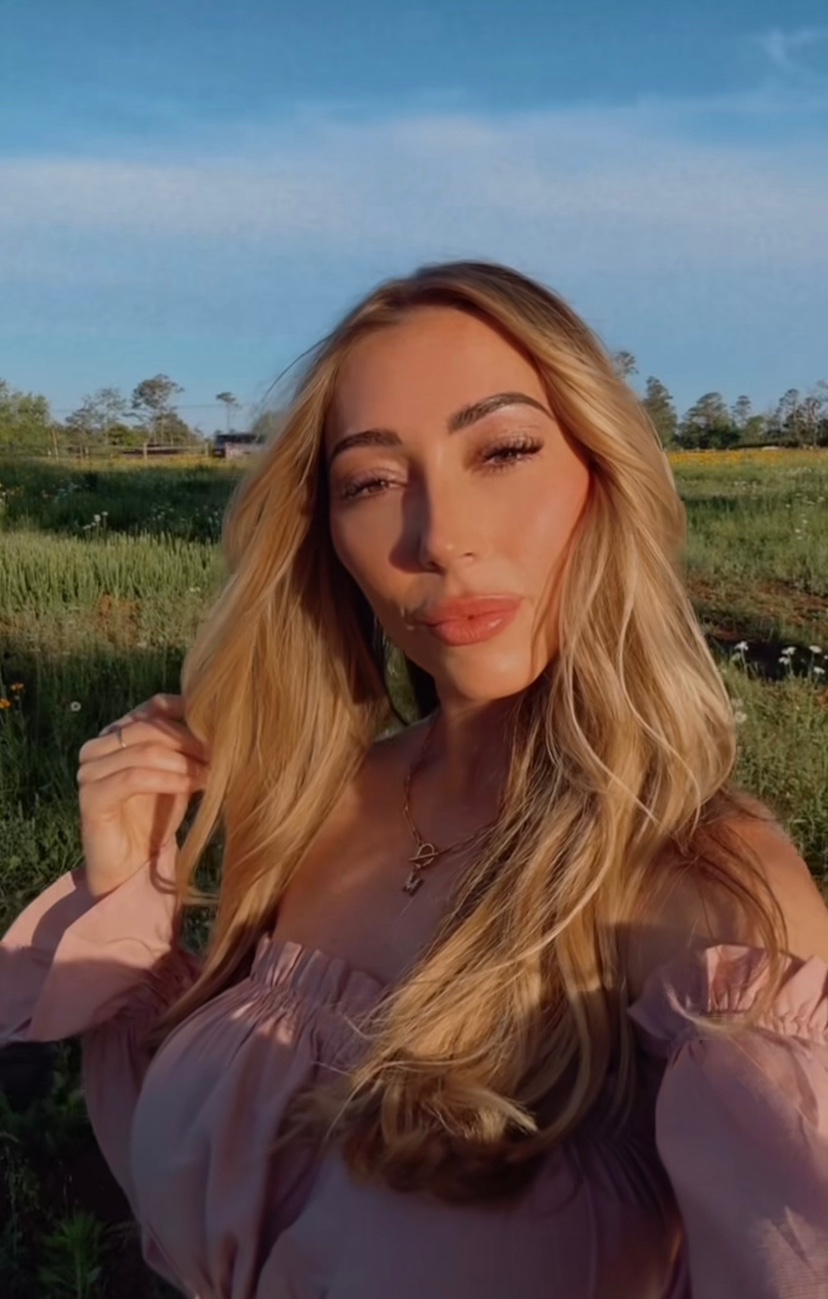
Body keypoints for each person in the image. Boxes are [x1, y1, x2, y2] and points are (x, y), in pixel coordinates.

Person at [2, 261, 827, 1299]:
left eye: (504, 451)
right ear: (328, 536)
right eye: (371, 482)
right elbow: (187, 1195)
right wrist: (130, 885)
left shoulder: (710, 896)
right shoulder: (309, 807)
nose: (437, 538)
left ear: (604, 474)